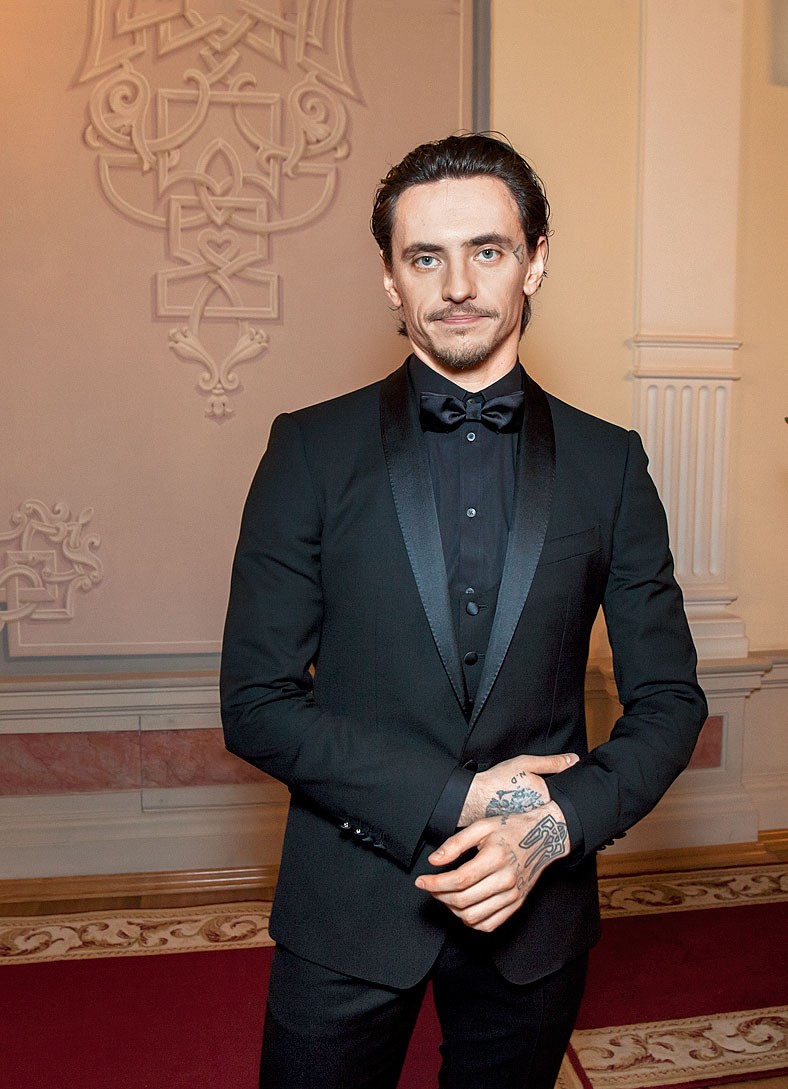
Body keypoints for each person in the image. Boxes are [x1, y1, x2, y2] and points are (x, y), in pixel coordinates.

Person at [220, 133, 707, 1089]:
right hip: (349, 902)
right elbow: (257, 703)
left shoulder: (611, 464)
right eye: (424, 257)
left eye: (487, 250)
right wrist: (464, 798)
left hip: (537, 914)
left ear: (535, 261)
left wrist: (550, 826)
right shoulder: (308, 450)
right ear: (389, 279)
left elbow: (671, 701)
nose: (457, 285)